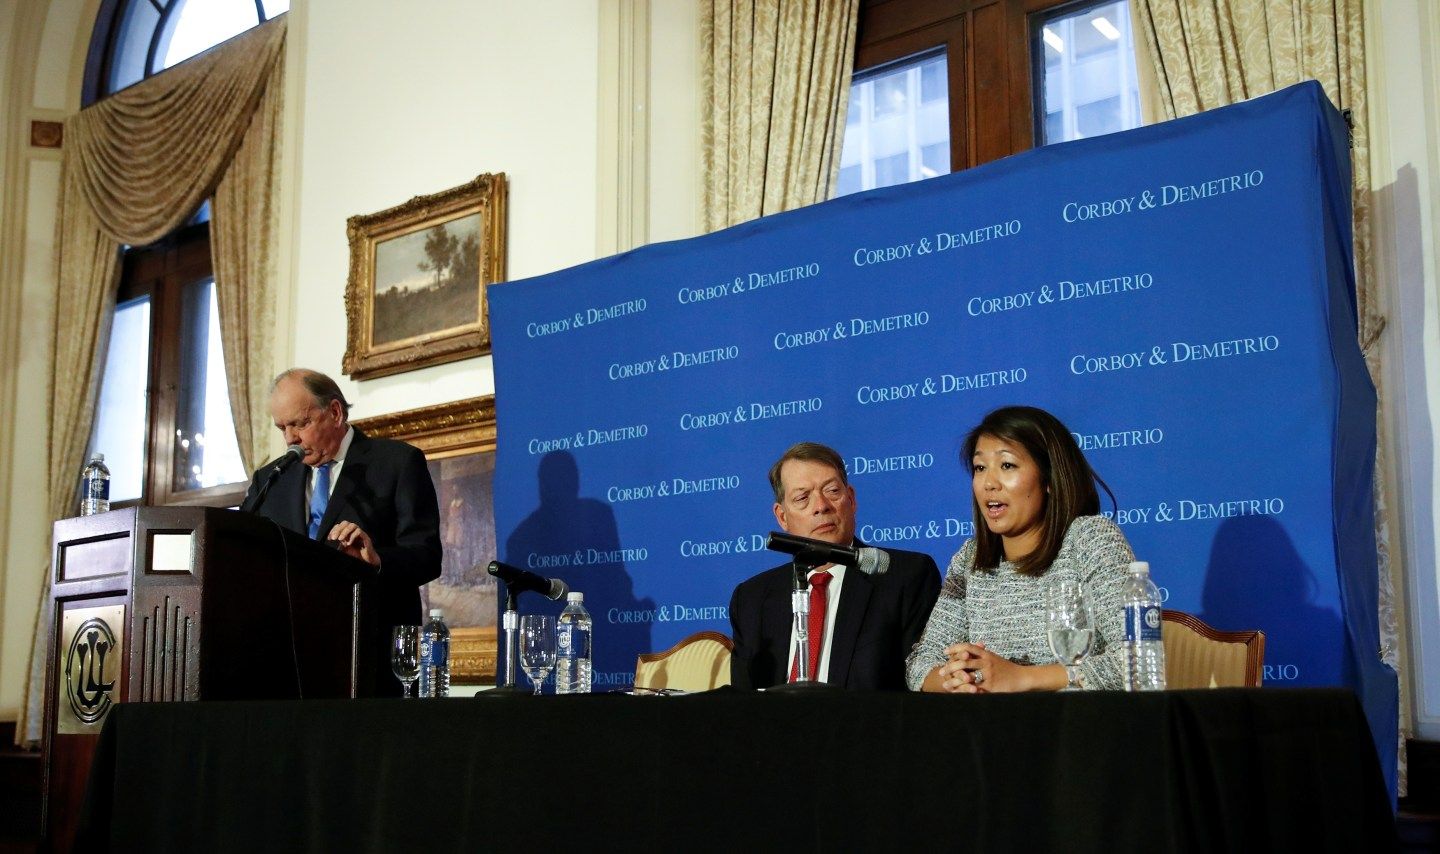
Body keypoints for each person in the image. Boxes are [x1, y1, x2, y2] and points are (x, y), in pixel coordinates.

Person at [907, 405, 1135, 693]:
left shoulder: (1089, 539)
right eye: (980, 468)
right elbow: (921, 665)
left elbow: (1135, 659)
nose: (989, 483)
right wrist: (961, 680)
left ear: (1049, 479)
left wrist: (1020, 678)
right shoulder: (970, 557)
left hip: (1074, 726)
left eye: (1007, 466)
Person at [242, 368, 442, 696]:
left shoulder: (397, 462)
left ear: (335, 412)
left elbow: (427, 556)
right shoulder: (271, 481)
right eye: (282, 427)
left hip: (368, 659)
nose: (290, 438)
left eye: (300, 423)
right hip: (288, 665)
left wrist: (377, 561)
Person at [730, 442, 941, 690]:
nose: (821, 506)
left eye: (832, 491)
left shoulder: (905, 576)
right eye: (802, 498)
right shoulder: (752, 599)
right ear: (782, 517)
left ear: (851, 499)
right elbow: (742, 704)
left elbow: (921, 686)